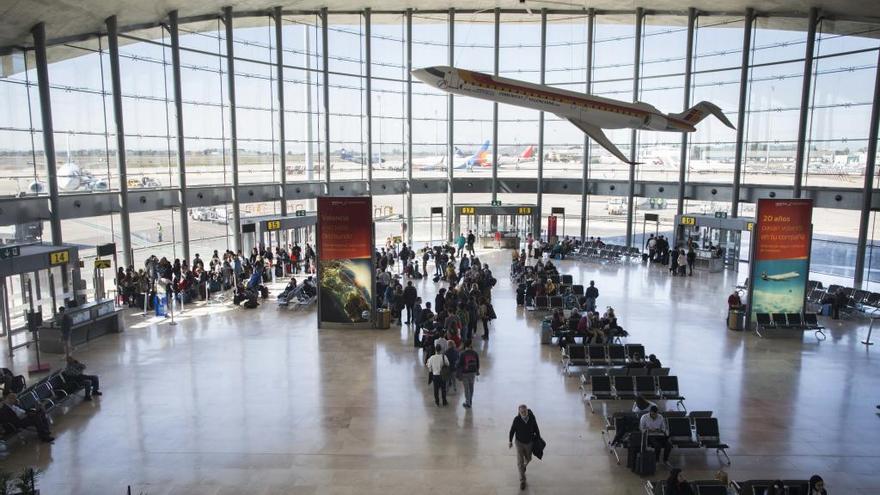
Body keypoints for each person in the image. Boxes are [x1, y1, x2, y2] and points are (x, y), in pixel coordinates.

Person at [508, 404, 541, 490]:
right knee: (520, 462)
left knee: (529, 458)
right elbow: (512, 431)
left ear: (527, 411)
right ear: (519, 412)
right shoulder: (517, 420)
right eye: (521, 412)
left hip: (529, 443)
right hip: (519, 443)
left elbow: (536, 429)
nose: (523, 413)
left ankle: (524, 466)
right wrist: (510, 441)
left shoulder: (532, 419)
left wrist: (538, 439)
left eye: (525, 411)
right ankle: (522, 481)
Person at [457, 340, 480, 408]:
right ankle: (470, 400)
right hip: (472, 372)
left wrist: (459, 373)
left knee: (466, 388)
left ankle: (468, 402)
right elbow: (478, 363)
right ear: (470, 345)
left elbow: (460, 364)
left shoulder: (463, 354)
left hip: (465, 373)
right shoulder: (475, 353)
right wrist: (477, 370)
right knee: (471, 387)